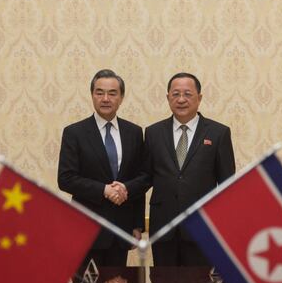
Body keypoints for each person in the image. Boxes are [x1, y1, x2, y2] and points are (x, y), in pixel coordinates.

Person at [142, 73, 235, 266]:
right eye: (175, 94)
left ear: (199, 98)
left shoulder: (218, 133)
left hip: (202, 228)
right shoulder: (153, 133)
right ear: (168, 97)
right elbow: (145, 178)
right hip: (163, 227)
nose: (181, 99)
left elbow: (228, 185)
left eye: (187, 94)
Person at [58, 70, 145, 268]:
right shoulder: (74, 133)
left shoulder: (134, 132)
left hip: (121, 229)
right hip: (86, 228)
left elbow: (141, 178)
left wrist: (137, 224)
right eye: (99, 92)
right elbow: (66, 178)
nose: (105, 98)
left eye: (112, 93)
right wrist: (104, 190)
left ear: (121, 97)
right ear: (92, 95)